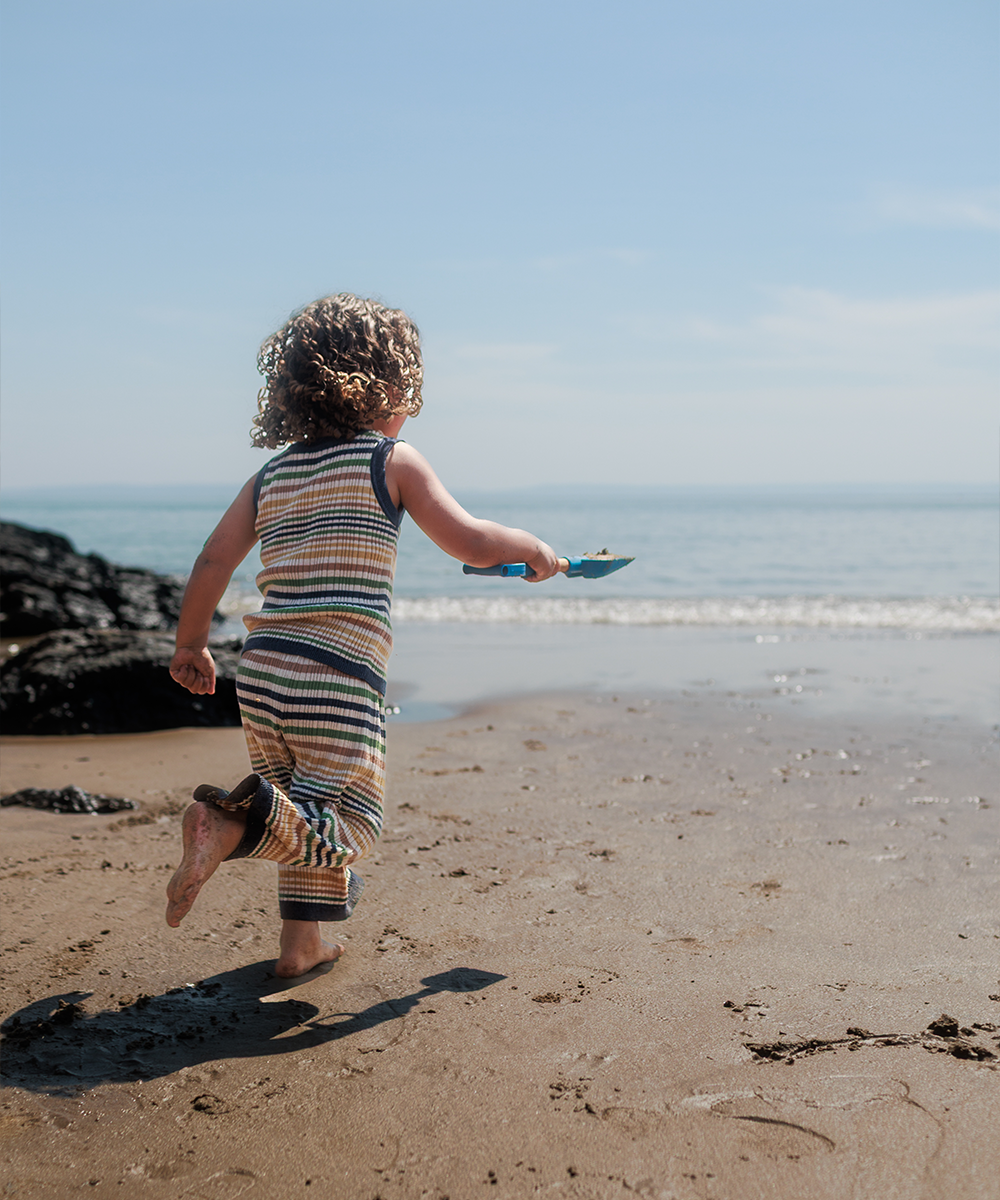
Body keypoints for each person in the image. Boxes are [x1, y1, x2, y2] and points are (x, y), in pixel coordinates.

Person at [166, 294, 559, 977]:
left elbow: (212, 560)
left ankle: (302, 946)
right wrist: (534, 548)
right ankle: (229, 825)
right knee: (351, 824)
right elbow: (468, 538)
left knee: (305, 810)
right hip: (336, 676)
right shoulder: (392, 460)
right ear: (392, 387)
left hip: (262, 672)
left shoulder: (272, 474)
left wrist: (190, 644)